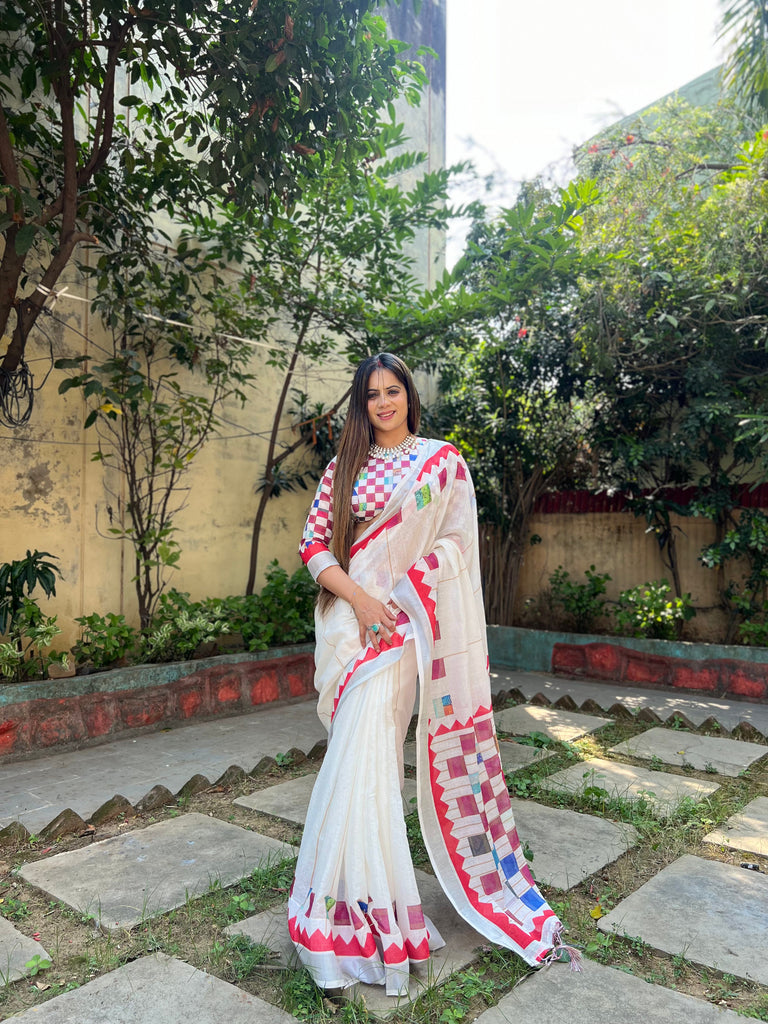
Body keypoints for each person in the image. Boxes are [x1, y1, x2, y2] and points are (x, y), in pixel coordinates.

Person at [288, 353, 576, 997]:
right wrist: (360, 601)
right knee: (359, 761)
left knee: (367, 759)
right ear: (361, 405)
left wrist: (400, 595)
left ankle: (360, 914)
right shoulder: (346, 467)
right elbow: (313, 547)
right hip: (351, 625)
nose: (383, 403)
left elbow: (455, 545)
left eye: (393, 391)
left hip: (402, 631)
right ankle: (351, 909)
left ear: (409, 397)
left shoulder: (440, 462)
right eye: (371, 395)